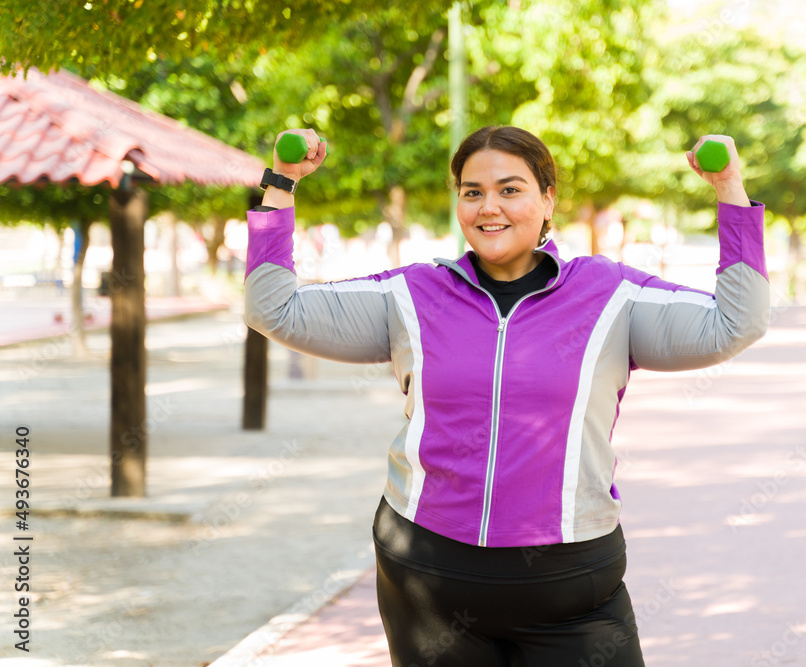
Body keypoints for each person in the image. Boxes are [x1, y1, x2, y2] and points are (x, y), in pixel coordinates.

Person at [244, 125, 770, 666]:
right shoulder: (410, 295)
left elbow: (736, 322)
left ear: (548, 200)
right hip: (430, 576)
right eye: (472, 192)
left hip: (571, 584)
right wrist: (282, 181)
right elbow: (272, 309)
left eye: (510, 189)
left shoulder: (614, 296)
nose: (488, 207)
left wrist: (728, 186)